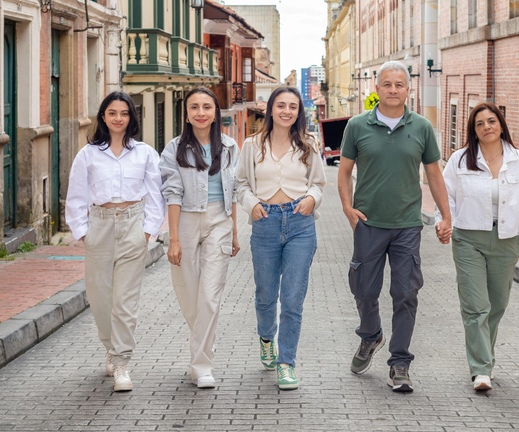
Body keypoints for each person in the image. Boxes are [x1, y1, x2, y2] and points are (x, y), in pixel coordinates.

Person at [337, 60, 452, 393]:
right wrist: (348, 208)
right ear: (377, 88)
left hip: (406, 226)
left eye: (399, 84)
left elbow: (434, 174)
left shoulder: (422, 128)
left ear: (408, 89)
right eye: (386, 84)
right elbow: (343, 172)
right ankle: (370, 335)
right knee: (363, 290)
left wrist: (445, 216)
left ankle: (399, 363)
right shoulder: (357, 126)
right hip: (368, 223)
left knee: (405, 293)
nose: (392, 90)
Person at [65, 91, 165, 392]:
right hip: (100, 226)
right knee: (100, 298)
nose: (118, 118)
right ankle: (110, 346)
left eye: (123, 113)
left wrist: (148, 232)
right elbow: (77, 195)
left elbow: (155, 195)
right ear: (104, 117)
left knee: (125, 300)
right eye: (112, 113)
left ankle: (122, 362)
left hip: (133, 225)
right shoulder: (88, 154)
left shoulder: (146, 153)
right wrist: (83, 232)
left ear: (131, 118)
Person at [442, 102, 519, 391]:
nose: (487, 127)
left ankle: (486, 358)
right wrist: (443, 222)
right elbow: (444, 196)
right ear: (473, 130)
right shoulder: (459, 160)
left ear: (501, 124)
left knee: (496, 305)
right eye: (480, 123)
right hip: (468, 238)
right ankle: (481, 370)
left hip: (506, 240)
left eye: (491, 121)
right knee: (476, 306)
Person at [237, 86, 326, 390]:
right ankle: (266, 338)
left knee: (292, 299)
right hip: (265, 223)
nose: (287, 111)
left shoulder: (309, 144)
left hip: (300, 223)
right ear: (271, 109)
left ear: (299, 112)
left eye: (293, 106)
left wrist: (311, 199)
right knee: (265, 294)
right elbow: (241, 185)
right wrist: (253, 206)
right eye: (281, 105)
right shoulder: (252, 145)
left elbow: (318, 184)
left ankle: (286, 363)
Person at [159, 88, 241, 389]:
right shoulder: (174, 148)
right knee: (188, 292)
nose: (201, 112)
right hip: (187, 221)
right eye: (195, 107)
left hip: (220, 220)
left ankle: (201, 365)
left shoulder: (231, 146)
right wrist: (174, 238)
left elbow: (233, 190)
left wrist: (234, 230)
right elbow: (172, 192)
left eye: (207, 107)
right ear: (187, 113)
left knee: (210, 294)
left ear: (215, 113)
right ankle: (205, 339)